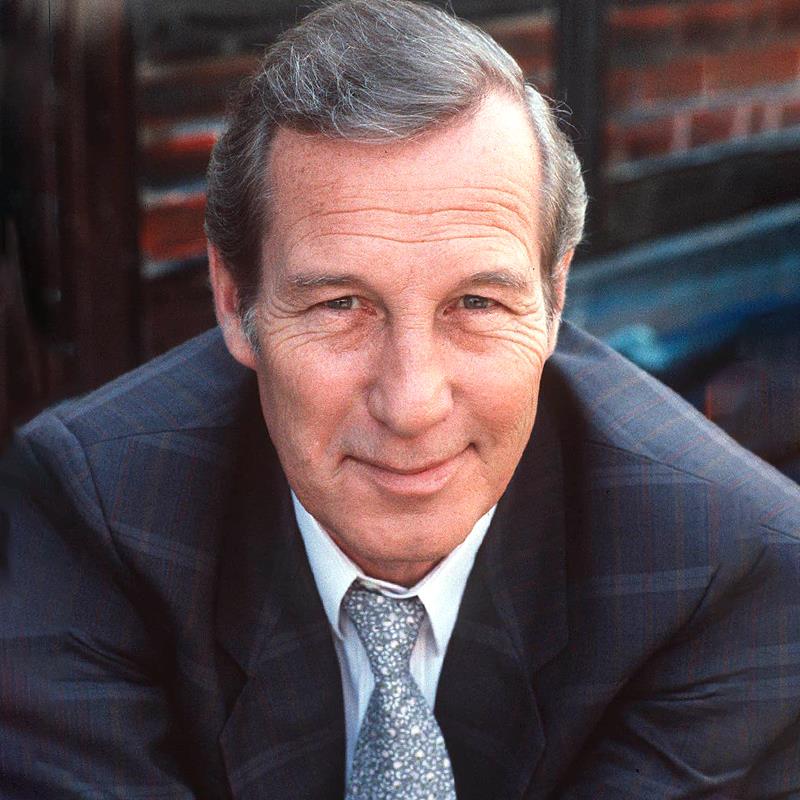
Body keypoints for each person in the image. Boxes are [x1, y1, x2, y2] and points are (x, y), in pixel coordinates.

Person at [1, 1, 798, 797]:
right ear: (235, 301)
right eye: (340, 305)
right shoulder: (88, 514)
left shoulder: (727, 562)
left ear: (554, 301)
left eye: (477, 303)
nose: (411, 404)